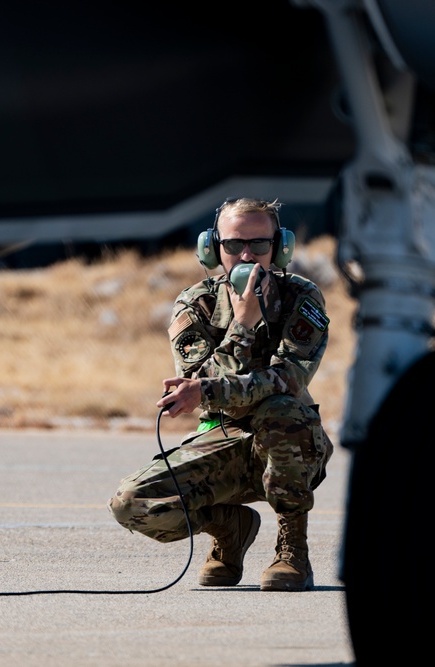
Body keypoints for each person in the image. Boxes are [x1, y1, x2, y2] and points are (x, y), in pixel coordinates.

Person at [108, 197, 334, 591]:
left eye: (259, 245)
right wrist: (242, 327)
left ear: (279, 248)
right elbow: (200, 390)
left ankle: (292, 548)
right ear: (213, 249)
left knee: (282, 410)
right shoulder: (196, 303)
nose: (246, 254)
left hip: (290, 442)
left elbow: (288, 379)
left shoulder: (302, 297)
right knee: (131, 504)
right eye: (233, 245)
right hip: (221, 440)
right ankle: (230, 527)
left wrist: (211, 385)